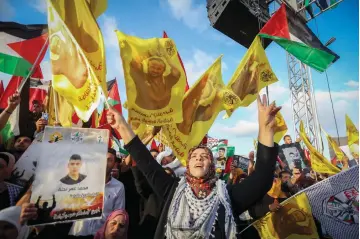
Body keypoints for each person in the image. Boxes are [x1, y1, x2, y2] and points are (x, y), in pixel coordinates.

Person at [107, 94, 280, 238]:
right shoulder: (172, 189)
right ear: (187, 164)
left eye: (205, 156)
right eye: (194, 156)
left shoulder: (227, 195)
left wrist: (266, 131)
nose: (199, 159)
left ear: (211, 165)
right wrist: (122, 126)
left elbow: (262, 179)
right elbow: (146, 162)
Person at [68, 148, 125, 238]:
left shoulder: (118, 187)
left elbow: (117, 215)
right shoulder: (82, 181)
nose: (105, 163)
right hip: (77, 233)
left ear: (114, 164)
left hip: (99, 236)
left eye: (109, 160)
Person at [129, 46, 181, 110]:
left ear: (164, 70)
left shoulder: (167, 81)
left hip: (163, 116)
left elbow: (177, 73)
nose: (155, 70)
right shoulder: (142, 77)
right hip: (143, 116)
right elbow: (134, 63)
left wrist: (167, 59)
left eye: (159, 69)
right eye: (152, 67)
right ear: (148, 67)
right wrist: (150, 53)